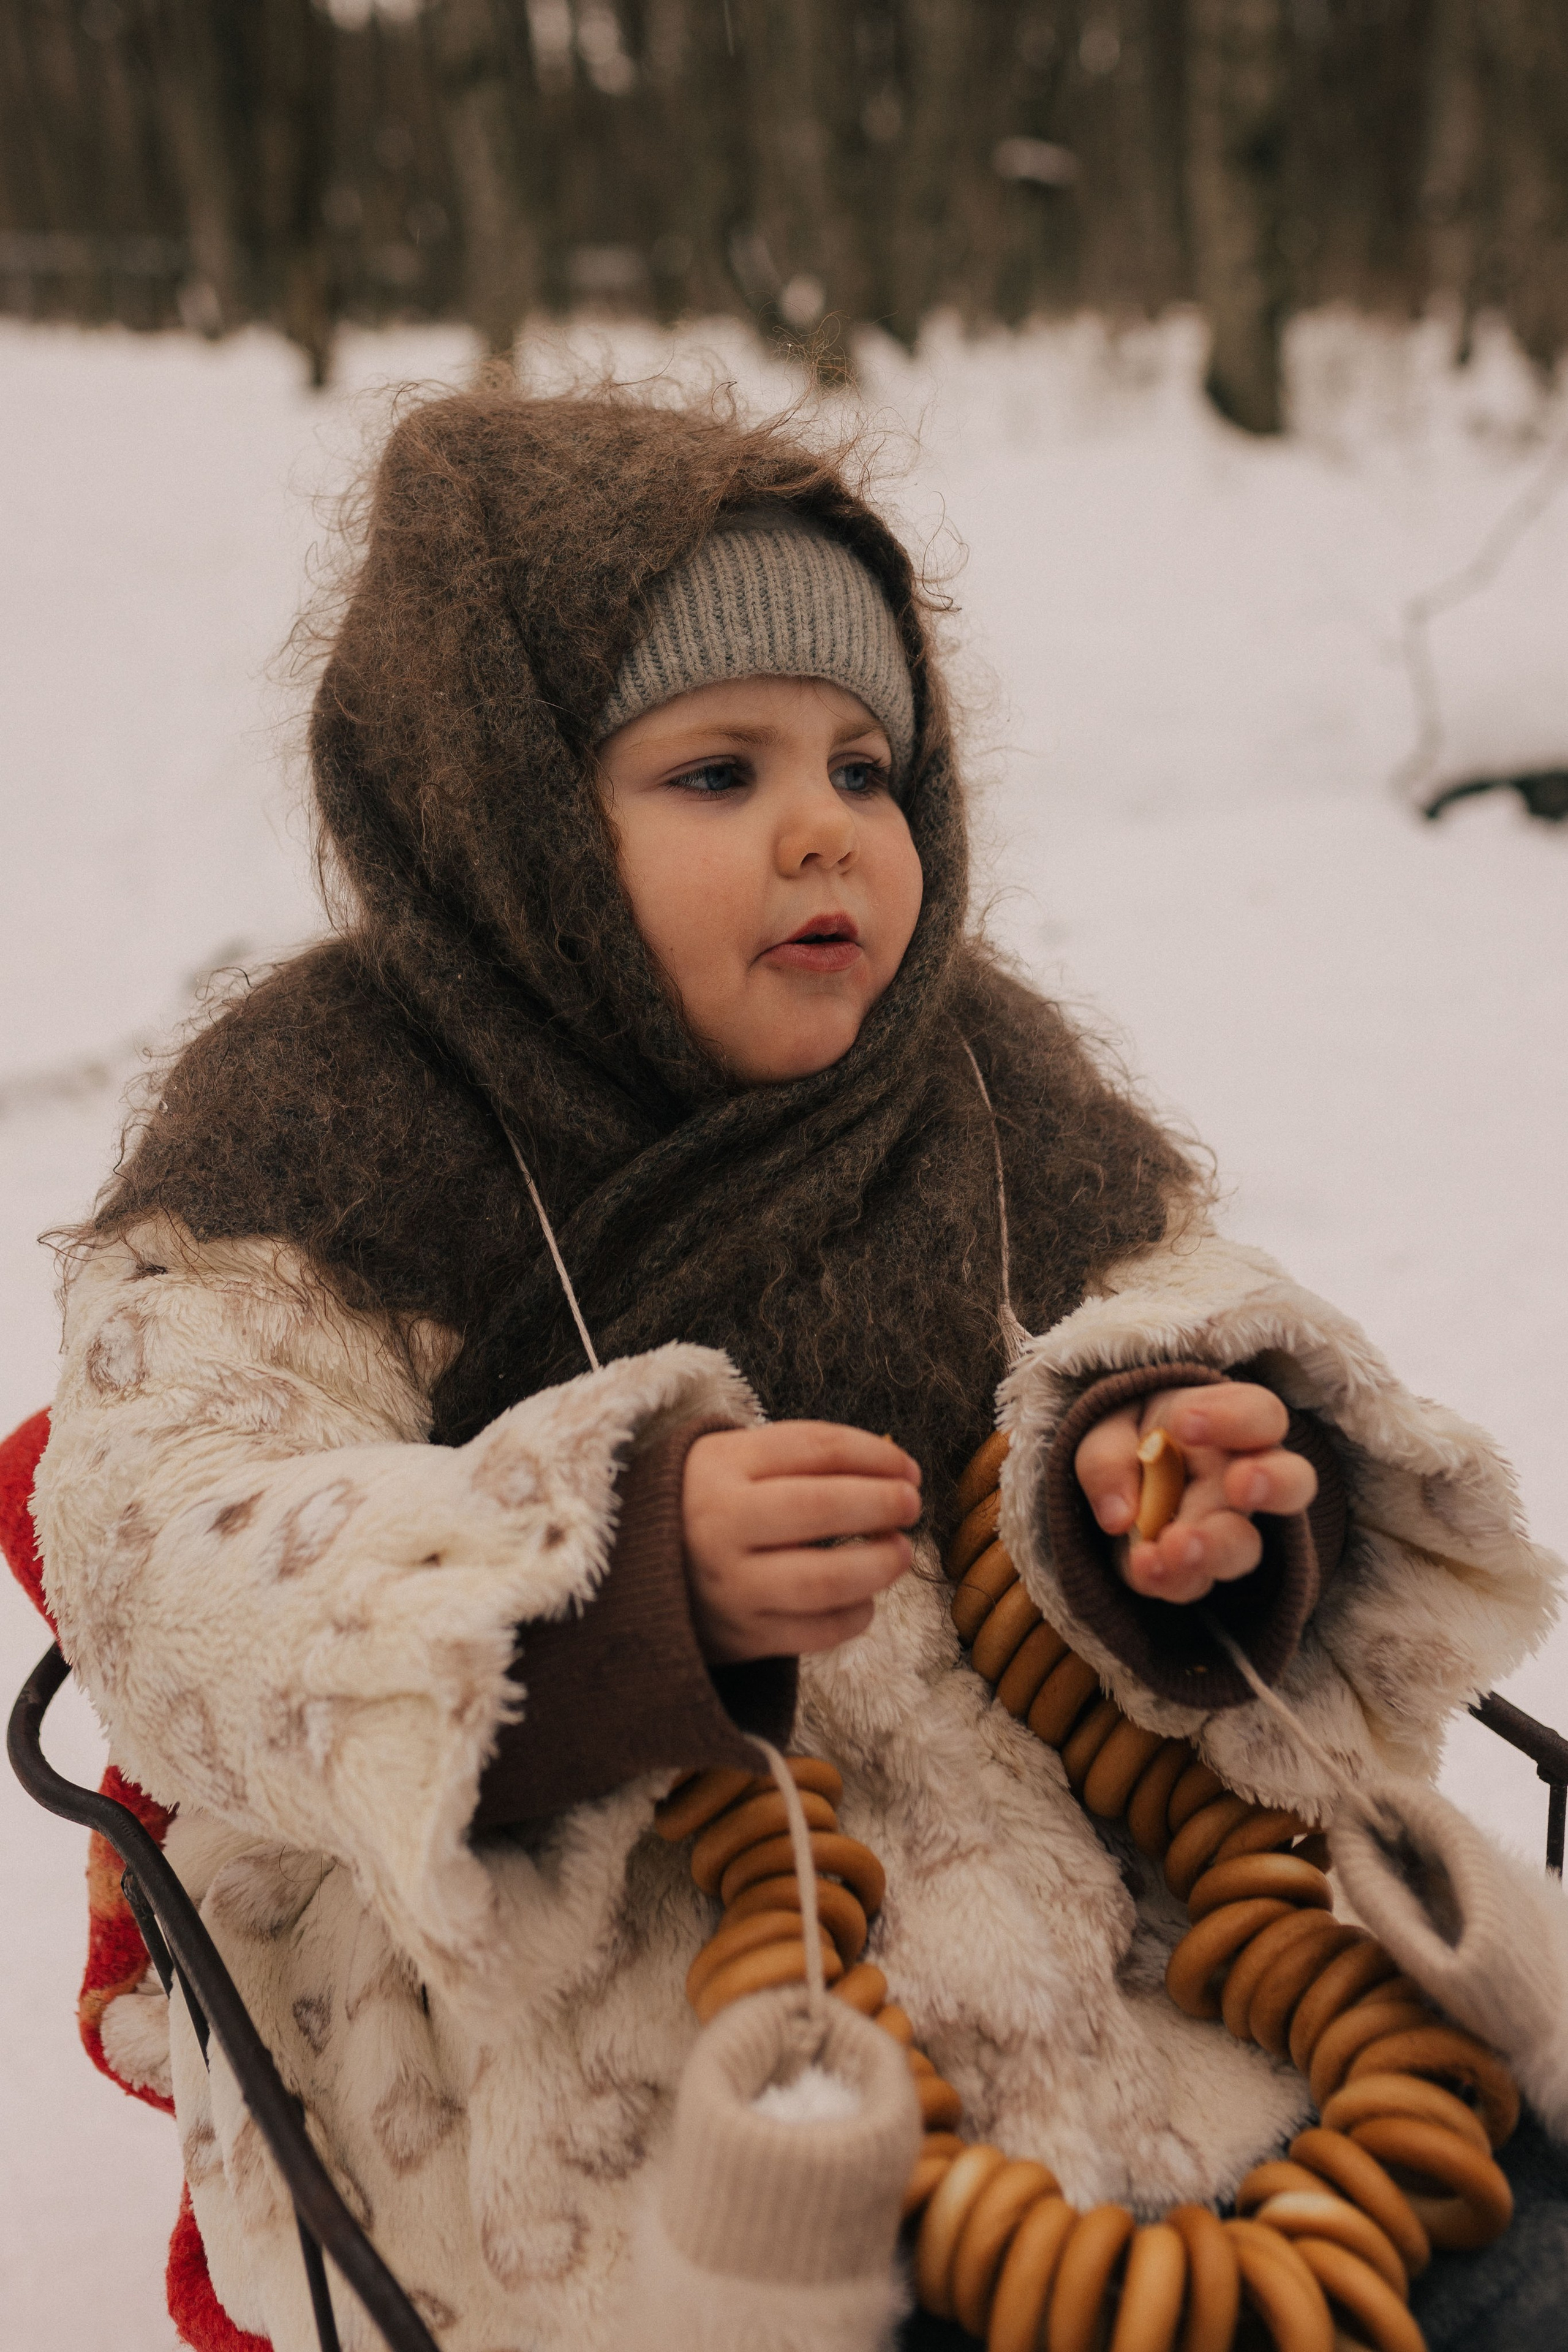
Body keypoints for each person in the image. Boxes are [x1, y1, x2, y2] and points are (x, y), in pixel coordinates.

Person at [32, 384, 1567, 2352]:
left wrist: (1170, 1465)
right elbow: (170, 1521)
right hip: (620, 2020)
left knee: (1483, 2234)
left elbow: (1177, 1290)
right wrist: (597, 1583)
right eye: (715, 774)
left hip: (1110, 1940)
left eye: (867, 763)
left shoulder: (985, 1084)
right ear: (507, 815)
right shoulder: (327, 1127)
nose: (827, 823)